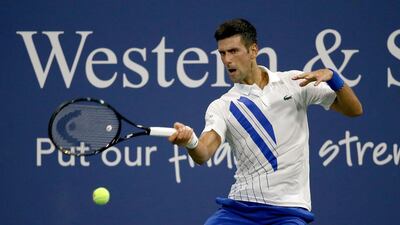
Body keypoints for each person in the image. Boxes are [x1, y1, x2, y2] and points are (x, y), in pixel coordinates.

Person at [168, 18, 362, 225]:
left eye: (233, 51)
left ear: (253, 51)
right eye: (222, 53)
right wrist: (190, 142)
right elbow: (204, 153)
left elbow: (354, 110)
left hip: (288, 212)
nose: (227, 60)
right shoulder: (222, 105)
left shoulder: (295, 83)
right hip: (240, 209)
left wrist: (334, 78)